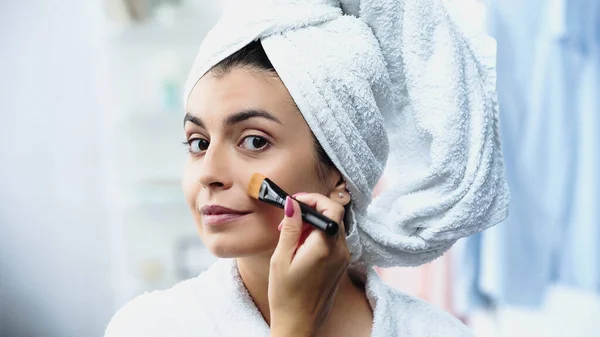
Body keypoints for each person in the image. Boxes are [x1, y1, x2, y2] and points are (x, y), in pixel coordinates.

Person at [105, 0, 509, 336]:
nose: (209, 173)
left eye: (254, 141)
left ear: (340, 172)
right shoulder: (150, 326)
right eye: (198, 143)